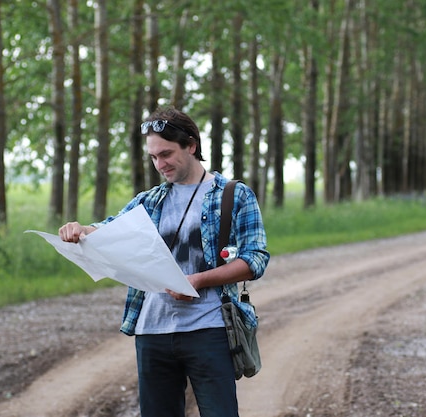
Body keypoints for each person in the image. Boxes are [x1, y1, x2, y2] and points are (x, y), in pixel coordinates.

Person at [58, 105, 270, 417]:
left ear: (192, 146)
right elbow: (109, 229)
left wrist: (198, 281)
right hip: (152, 332)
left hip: (208, 330)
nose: (160, 164)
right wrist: (79, 230)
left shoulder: (234, 196)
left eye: (167, 154)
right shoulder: (149, 200)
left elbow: (256, 259)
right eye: (154, 157)